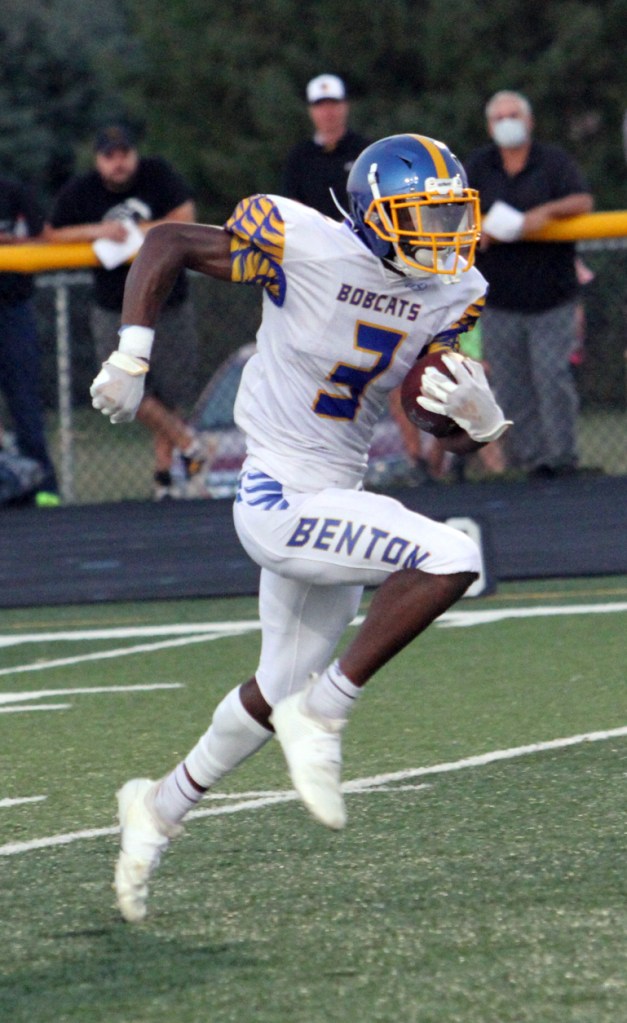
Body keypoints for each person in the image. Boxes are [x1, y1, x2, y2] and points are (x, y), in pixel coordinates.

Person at [90, 133, 512, 922]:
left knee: (275, 686)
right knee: (452, 553)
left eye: (451, 213)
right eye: (424, 216)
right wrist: (131, 356)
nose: (445, 232)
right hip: (277, 494)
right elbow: (168, 242)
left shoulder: (451, 290)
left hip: (335, 495)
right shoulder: (302, 241)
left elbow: (434, 411)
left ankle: (157, 806)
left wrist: (478, 424)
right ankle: (329, 709)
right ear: (374, 214)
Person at [45, 124, 209, 499]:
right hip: (114, 307)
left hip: (166, 299)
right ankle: (189, 443)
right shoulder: (83, 190)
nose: (118, 163)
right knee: (121, 388)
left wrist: (138, 229)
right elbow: (51, 233)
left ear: (135, 154)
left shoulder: (156, 174)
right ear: (98, 160)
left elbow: (186, 214)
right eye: (109, 156)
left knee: (170, 392)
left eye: (124, 154)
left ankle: (164, 479)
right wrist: (98, 230)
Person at [464, 90, 594, 479]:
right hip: (500, 298)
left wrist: (543, 213)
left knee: (552, 377)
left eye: (514, 115)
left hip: (552, 296)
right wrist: (483, 227)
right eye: (499, 117)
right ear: (489, 126)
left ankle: (562, 458)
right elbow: (454, 210)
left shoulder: (553, 162)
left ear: (530, 120)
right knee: (510, 385)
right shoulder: (479, 166)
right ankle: (527, 462)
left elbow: (583, 202)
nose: (507, 122)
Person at [0, 175, 60, 506]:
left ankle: (43, 487)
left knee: (25, 402)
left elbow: (45, 238)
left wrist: (10, 243)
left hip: (13, 307)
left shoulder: (13, 191)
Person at [282, 74, 371, 219]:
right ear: (311, 110)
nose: (327, 112)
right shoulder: (299, 157)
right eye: (320, 105)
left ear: (345, 106)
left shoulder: (364, 151)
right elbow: (292, 202)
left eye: (333, 104)